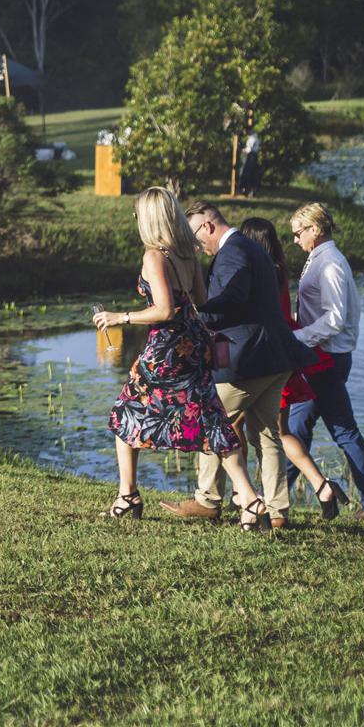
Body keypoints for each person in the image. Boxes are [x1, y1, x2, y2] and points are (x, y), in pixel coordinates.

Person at [95, 189, 259, 523]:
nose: (136, 219)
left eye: (138, 214)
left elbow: (164, 310)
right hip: (193, 344)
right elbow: (199, 298)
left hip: (168, 348)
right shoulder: (187, 254)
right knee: (213, 421)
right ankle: (253, 502)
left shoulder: (155, 256)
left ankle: (127, 496)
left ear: (150, 218)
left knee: (125, 412)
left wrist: (120, 317)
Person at [167, 201, 313, 527]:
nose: (195, 245)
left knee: (211, 421)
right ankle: (277, 512)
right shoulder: (252, 247)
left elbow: (230, 301)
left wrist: (189, 314)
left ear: (207, 226)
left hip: (247, 358)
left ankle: (208, 499)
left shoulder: (232, 252)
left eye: (193, 237)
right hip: (275, 356)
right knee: (265, 435)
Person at [236, 217, 350, 520]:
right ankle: (321, 485)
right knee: (278, 431)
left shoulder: (256, 275)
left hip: (263, 358)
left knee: (238, 426)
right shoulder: (279, 272)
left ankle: (245, 496)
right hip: (285, 356)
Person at [289, 202, 364, 523]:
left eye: (298, 233)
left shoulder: (330, 263)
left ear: (315, 230)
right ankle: (273, 497)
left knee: (339, 432)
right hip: (322, 357)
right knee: (297, 429)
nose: (295, 240)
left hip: (327, 359)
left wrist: (296, 337)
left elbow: (334, 319)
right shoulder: (319, 259)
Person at [236, 120, 262, 197]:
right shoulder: (253, 137)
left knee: (247, 173)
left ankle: (247, 190)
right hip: (252, 156)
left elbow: (249, 150)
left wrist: (242, 150)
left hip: (251, 157)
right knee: (250, 174)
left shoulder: (252, 138)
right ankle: (249, 190)